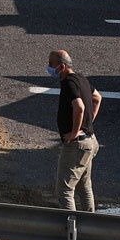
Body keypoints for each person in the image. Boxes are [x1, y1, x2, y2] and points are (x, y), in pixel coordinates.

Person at [48, 49, 102, 212]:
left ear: (62, 66)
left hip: (77, 146)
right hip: (90, 141)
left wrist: (74, 131)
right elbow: (97, 98)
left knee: (64, 191)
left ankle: (70, 232)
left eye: (51, 64)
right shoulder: (81, 78)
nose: (49, 68)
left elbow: (79, 107)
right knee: (84, 187)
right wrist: (89, 122)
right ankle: (89, 227)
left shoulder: (69, 83)